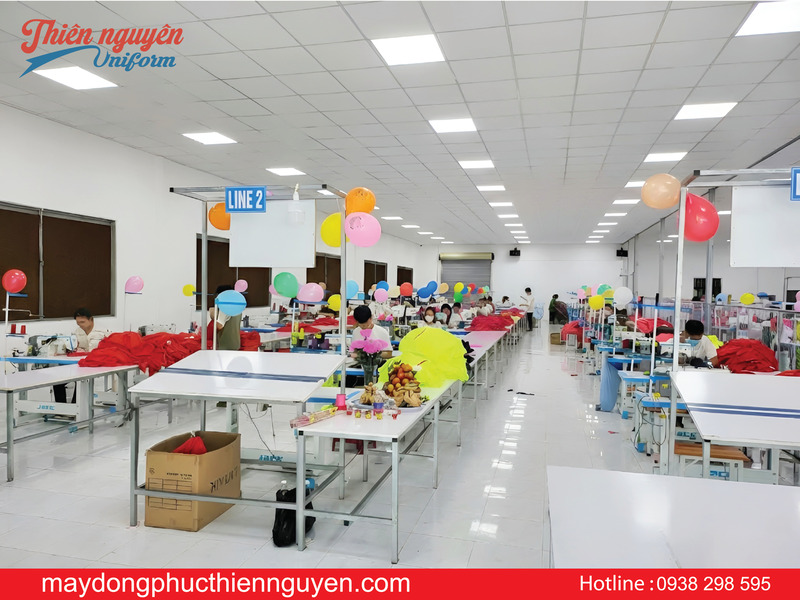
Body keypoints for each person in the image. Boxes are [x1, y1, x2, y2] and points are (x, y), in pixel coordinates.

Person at [53, 308, 109, 403]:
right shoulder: (78, 332)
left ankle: (75, 406)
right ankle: (62, 408)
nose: (80, 325)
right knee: (57, 382)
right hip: (80, 364)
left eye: (82, 322)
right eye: (78, 323)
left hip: (96, 365)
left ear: (91, 319)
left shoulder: (102, 332)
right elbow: (74, 347)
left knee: (79, 381)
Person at [210, 284, 241, 351]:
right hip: (236, 343)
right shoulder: (238, 307)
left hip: (225, 345)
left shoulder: (224, 308)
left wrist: (213, 316)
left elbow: (219, 326)